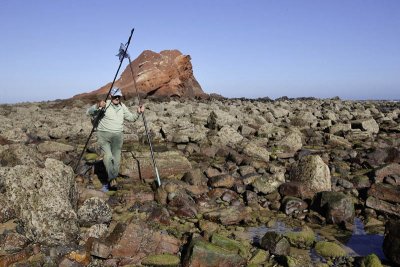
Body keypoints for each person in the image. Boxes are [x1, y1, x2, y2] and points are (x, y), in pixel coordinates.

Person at [87, 87, 144, 192]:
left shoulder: (123, 107)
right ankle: (112, 179)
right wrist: (98, 106)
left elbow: (131, 118)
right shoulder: (105, 105)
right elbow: (89, 112)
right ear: (110, 96)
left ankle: (112, 177)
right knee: (108, 157)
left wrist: (138, 113)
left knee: (116, 161)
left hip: (118, 137)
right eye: (115, 96)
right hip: (103, 135)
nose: (117, 98)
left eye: (119, 96)